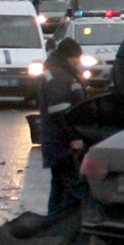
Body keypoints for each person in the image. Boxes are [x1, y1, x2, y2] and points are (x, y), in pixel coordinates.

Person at [36, 38, 88, 214]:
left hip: (55, 142)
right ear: (69, 57)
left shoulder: (56, 72)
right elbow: (60, 112)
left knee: (58, 187)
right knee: (72, 189)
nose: (79, 63)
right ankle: (68, 227)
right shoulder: (59, 77)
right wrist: (74, 137)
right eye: (77, 58)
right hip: (62, 144)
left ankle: (52, 226)